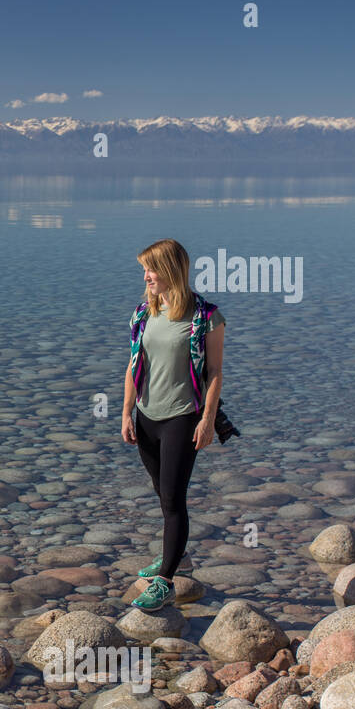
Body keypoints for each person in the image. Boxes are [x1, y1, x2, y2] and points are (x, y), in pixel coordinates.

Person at [121, 238, 226, 611]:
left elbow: (214, 372)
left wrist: (208, 420)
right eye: (144, 270)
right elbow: (135, 364)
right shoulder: (143, 313)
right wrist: (126, 412)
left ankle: (165, 581)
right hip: (147, 417)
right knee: (162, 494)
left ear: (170, 270)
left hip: (182, 418)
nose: (145, 276)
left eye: (150, 269)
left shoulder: (205, 317)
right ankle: (177, 557)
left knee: (173, 497)